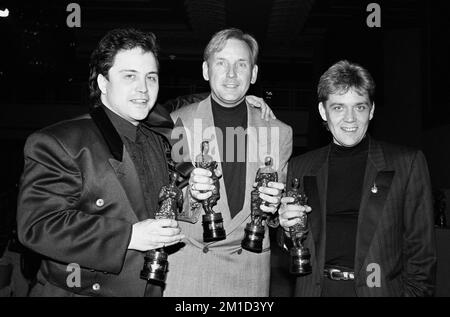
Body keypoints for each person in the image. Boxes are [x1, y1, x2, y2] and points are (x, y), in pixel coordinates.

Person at [16, 28, 185, 297]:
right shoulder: (59, 141)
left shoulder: (158, 139)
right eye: (129, 76)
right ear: (104, 83)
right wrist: (128, 237)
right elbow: (39, 226)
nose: (143, 89)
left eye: (150, 78)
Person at [278, 60, 437, 296]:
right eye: (339, 107)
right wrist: (287, 230)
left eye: (359, 107)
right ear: (323, 111)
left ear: (371, 110)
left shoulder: (407, 163)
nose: (350, 119)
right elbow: (291, 245)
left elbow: (422, 254)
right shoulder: (301, 167)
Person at [166, 28, 293, 296]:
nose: (231, 74)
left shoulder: (280, 132)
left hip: (250, 271)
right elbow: (168, 195)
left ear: (254, 73)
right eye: (221, 63)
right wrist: (190, 193)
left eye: (241, 64)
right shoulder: (178, 124)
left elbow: (275, 213)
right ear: (206, 70)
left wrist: (275, 210)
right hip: (189, 271)